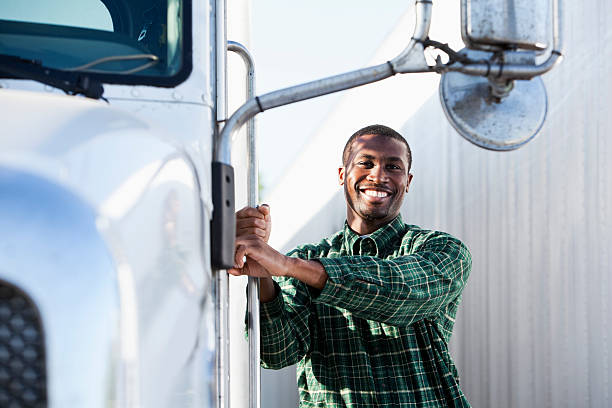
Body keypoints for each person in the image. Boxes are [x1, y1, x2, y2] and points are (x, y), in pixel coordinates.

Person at [230, 124, 472, 407]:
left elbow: (402, 293)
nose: (378, 175)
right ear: (343, 175)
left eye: (393, 167)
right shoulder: (305, 258)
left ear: (408, 180)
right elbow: (276, 353)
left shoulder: (443, 250)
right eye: (365, 163)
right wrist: (264, 278)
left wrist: (286, 265)